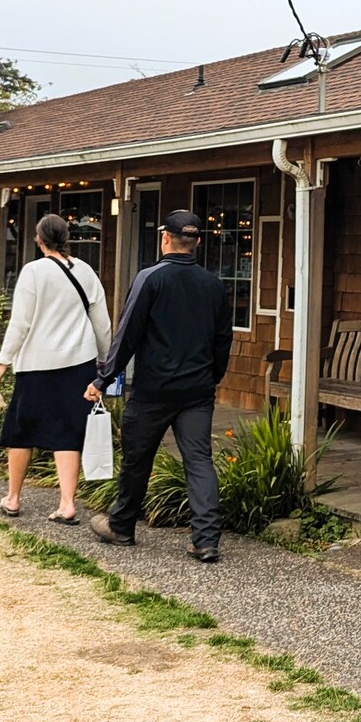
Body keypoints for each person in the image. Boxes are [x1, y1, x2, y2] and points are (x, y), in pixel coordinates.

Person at [86, 210, 235, 563]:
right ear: (196, 242)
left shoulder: (149, 279)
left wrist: (102, 378)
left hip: (153, 389)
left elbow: (127, 336)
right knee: (199, 461)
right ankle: (206, 540)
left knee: (137, 460)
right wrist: (213, 376)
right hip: (197, 390)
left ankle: (121, 527)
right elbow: (223, 339)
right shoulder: (213, 284)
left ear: (165, 238)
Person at [0, 213, 111, 524]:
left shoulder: (33, 272)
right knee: (68, 431)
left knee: (21, 431)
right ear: (66, 238)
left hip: (37, 365)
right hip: (79, 362)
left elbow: (20, 323)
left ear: (38, 240)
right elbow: (103, 325)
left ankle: (13, 498)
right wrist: (106, 365)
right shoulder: (86, 272)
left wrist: (2, 364)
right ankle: (67, 504)